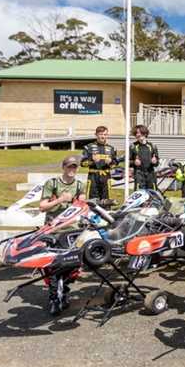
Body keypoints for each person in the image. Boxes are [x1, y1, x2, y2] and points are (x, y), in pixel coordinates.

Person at [38, 155, 86, 316]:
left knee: (71, 265)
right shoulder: (52, 183)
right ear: (63, 167)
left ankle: (63, 291)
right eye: (69, 166)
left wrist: (78, 204)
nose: (72, 169)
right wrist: (59, 200)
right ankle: (54, 299)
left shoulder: (79, 185)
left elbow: (83, 206)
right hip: (53, 231)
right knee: (53, 267)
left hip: (71, 231)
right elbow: (42, 206)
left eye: (74, 167)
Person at [80, 126, 117, 200]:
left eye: (105, 134)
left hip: (106, 177)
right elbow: (82, 163)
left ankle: (106, 210)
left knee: (106, 199)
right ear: (96, 134)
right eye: (101, 134)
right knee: (92, 199)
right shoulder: (88, 147)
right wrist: (92, 161)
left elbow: (115, 164)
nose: (103, 136)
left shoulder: (112, 148)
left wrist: (110, 162)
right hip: (93, 177)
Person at [128, 125, 159, 190]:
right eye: (136, 133)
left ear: (145, 133)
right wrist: (134, 162)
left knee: (152, 193)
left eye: (140, 132)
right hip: (139, 174)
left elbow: (157, 163)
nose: (138, 134)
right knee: (139, 193)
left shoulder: (152, 146)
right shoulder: (133, 146)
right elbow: (128, 162)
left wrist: (155, 161)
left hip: (151, 174)